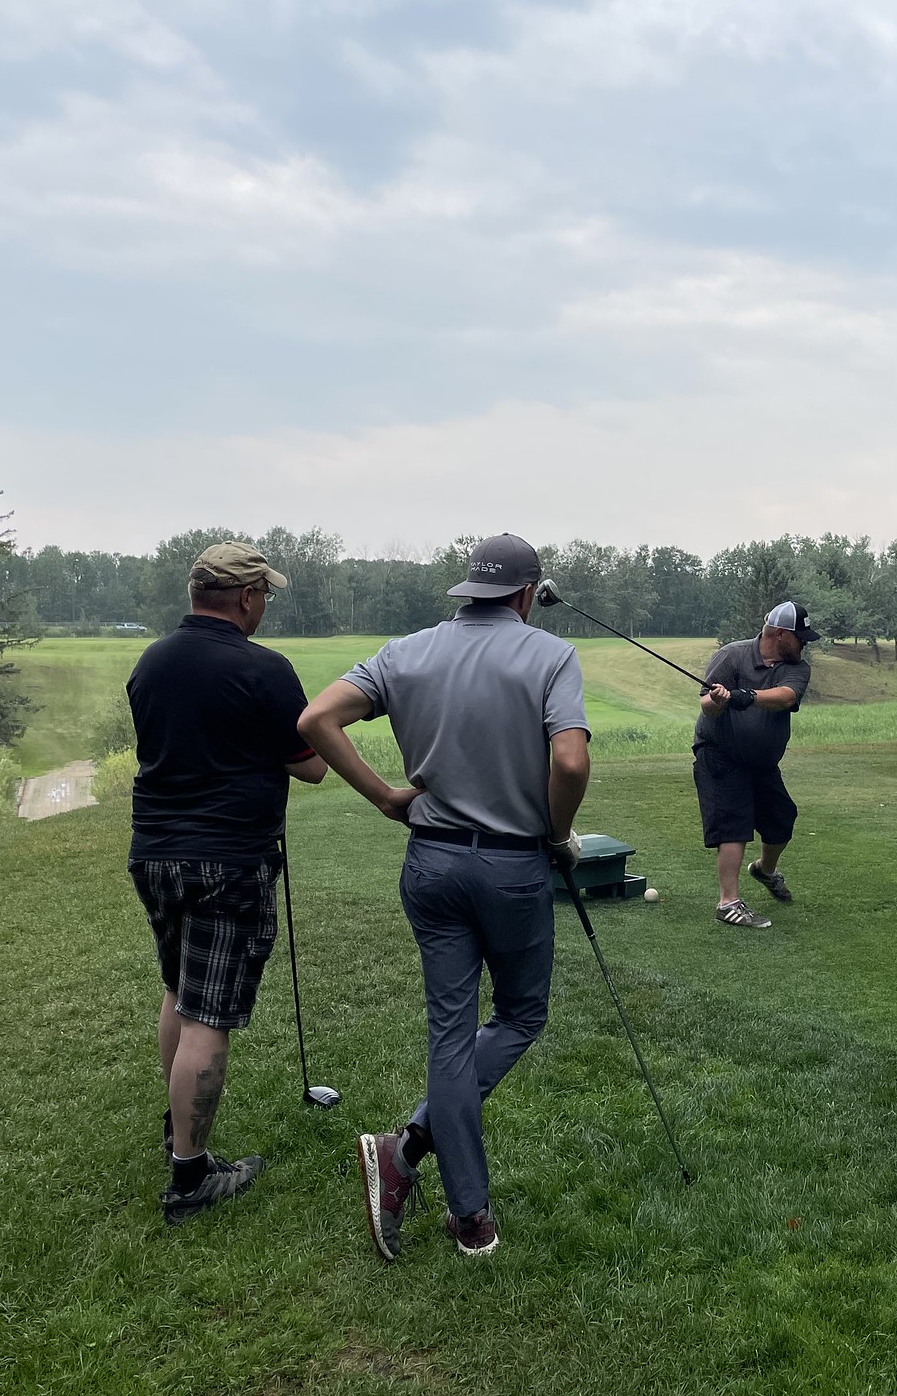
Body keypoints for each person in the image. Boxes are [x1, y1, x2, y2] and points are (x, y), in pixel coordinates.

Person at [298, 533, 590, 1262]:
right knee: (520, 1015)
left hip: (429, 863)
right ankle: (410, 1150)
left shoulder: (405, 652)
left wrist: (387, 800)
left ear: (470, 590)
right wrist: (558, 832)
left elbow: (314, 721)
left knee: (450, 1033)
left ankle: (464, 1211)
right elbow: (571, 758)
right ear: (526, 595)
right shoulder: (549, 655)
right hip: (512, 867)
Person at [125, 542, 330, 1225]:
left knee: (179, 991)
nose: (264, 607)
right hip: (227, 860)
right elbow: (310, 766)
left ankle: (176, 1129)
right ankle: (191, 1176)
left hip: (154, 853)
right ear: (245, 597)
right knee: (209, 1014)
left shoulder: (151, 662)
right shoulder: (264, 669)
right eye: (264, 596)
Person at [695, 601, 820, 929]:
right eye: (800, 637)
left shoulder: (797, 667)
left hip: (762, 762)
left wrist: (746, 695)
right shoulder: (732, 656)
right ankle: (728, 903)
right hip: (720, 754)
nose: (804, 643)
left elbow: (786, 697)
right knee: (734, 822)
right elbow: (706, 704)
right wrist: (720, 701)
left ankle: (764, 870)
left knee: (782, 819)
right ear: (780, 634)